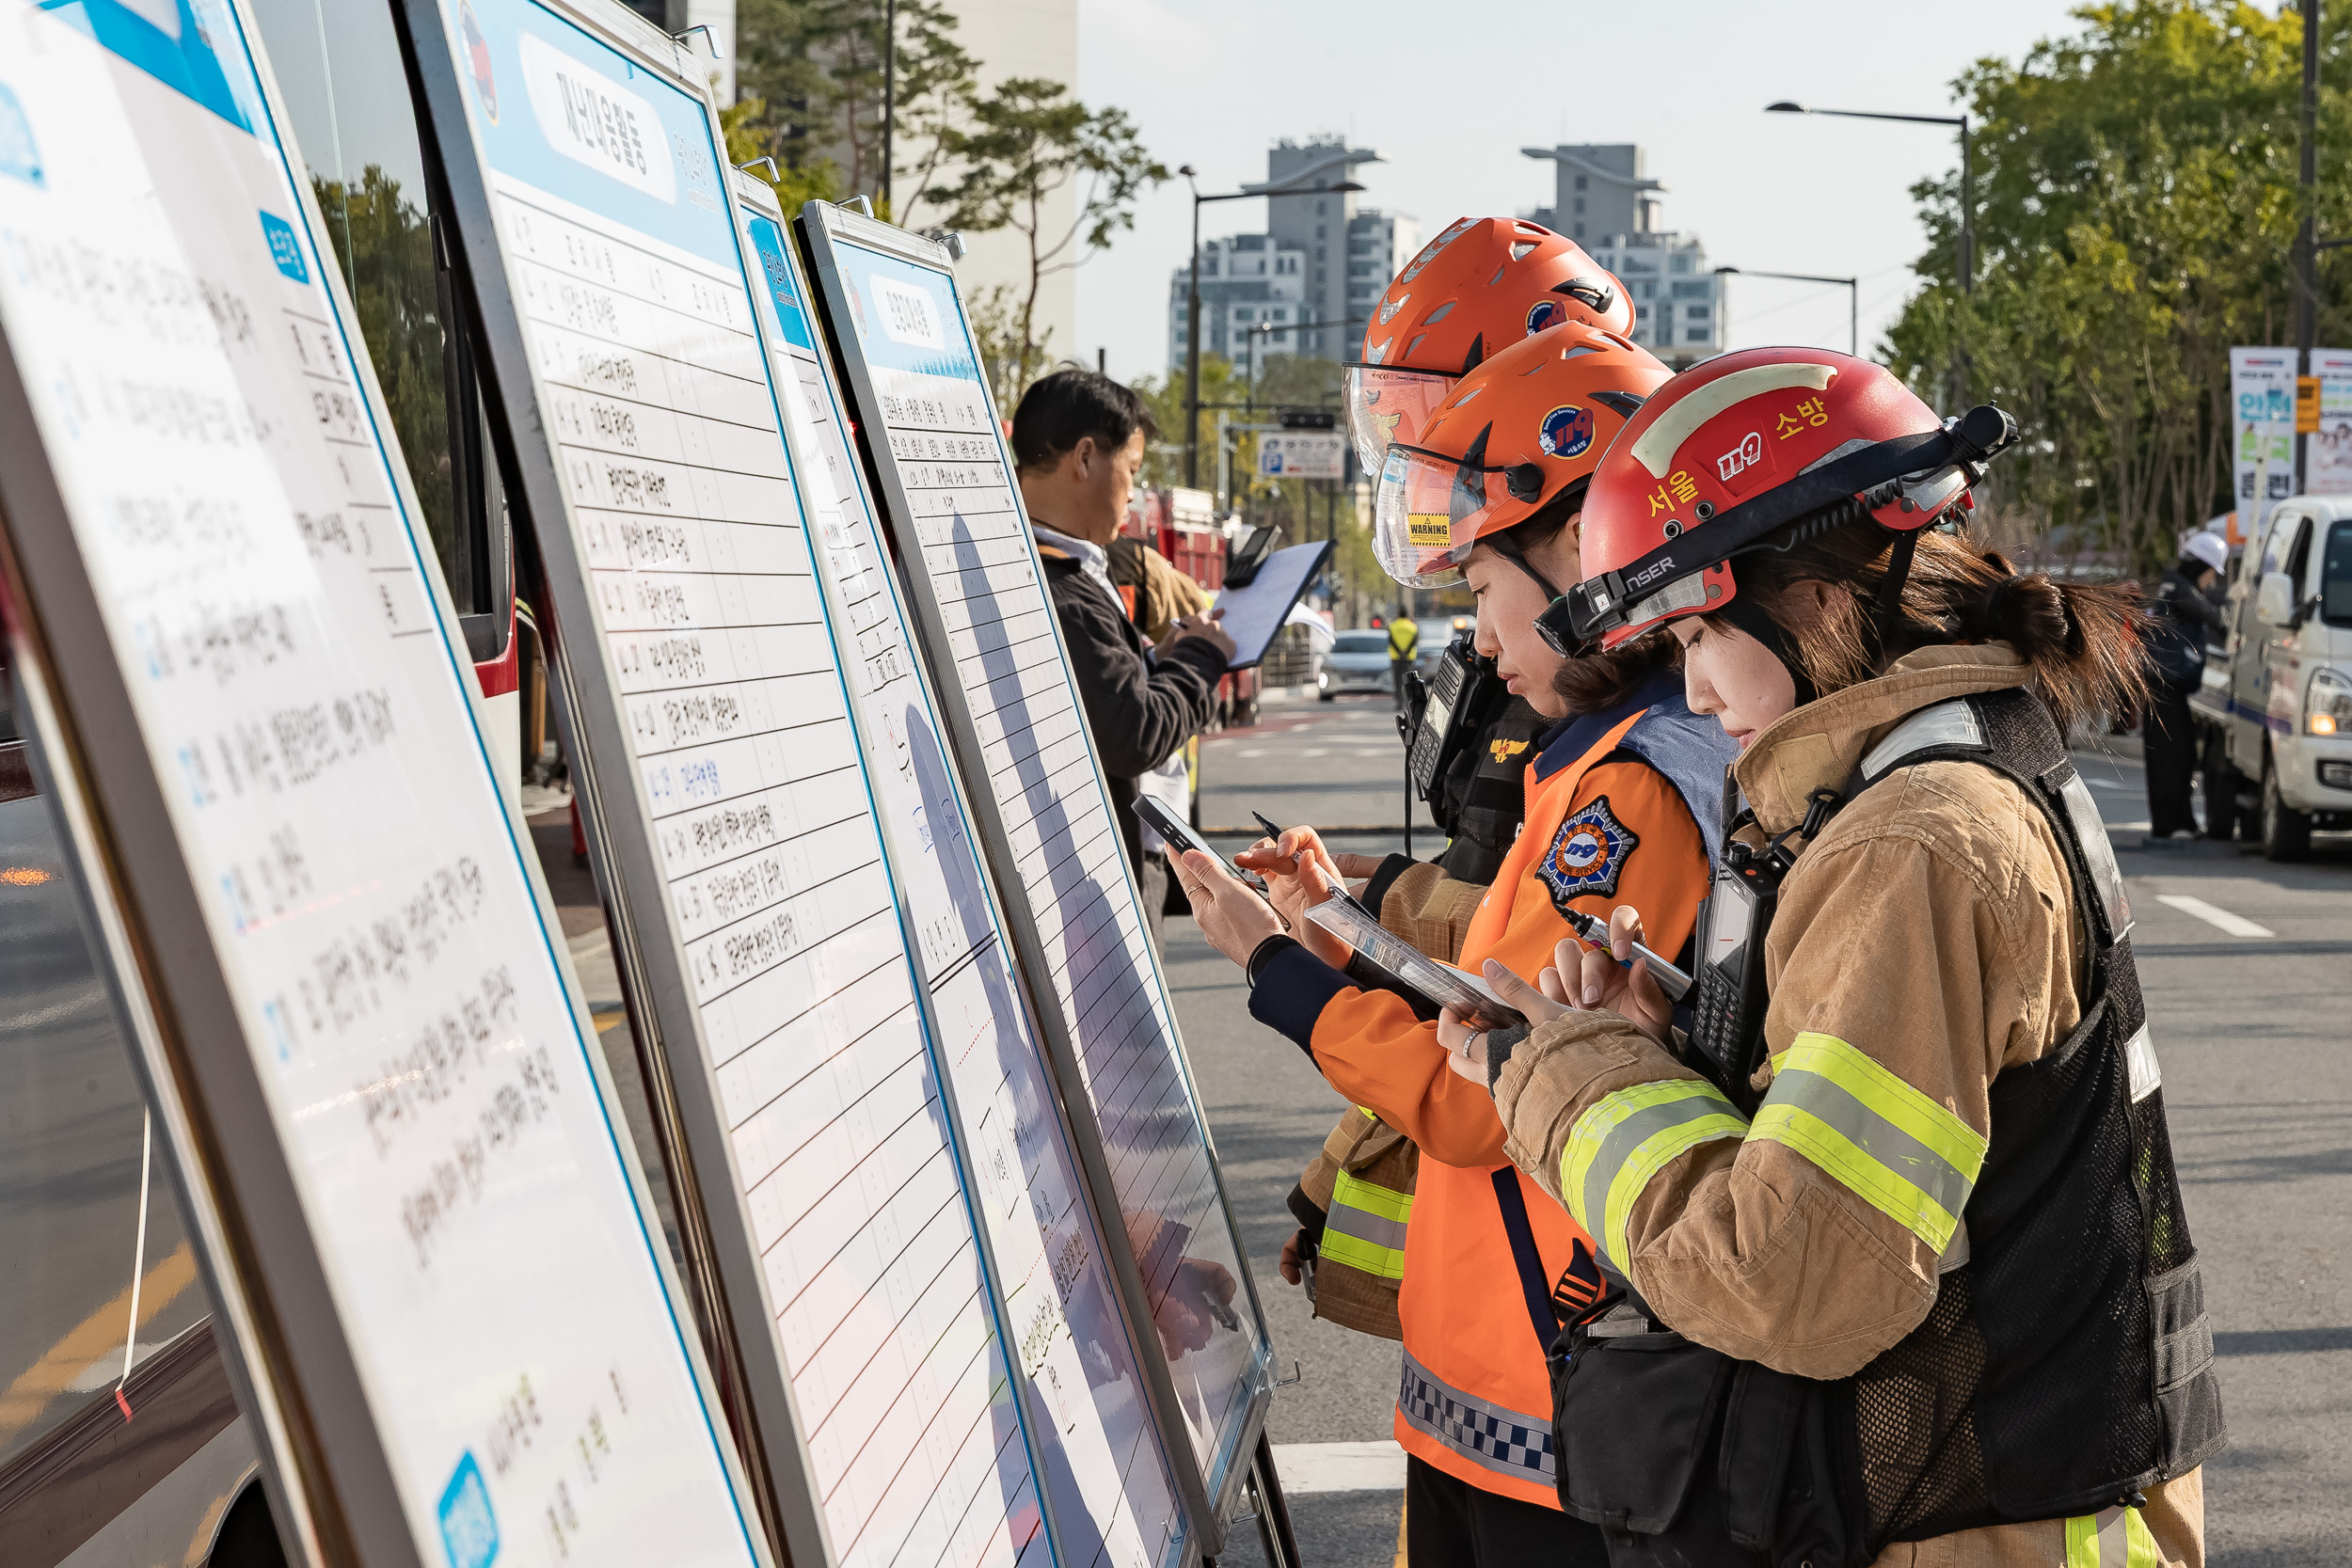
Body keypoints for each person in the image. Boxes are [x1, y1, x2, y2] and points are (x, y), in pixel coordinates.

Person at [1445, 348, 2220, 1567]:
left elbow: (1795, 1281)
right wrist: (1697, 1039)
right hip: (2035, 1493)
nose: (1696, 688)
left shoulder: (1909, 839)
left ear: (1814, 588)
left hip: (1974, 1522)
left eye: (1702, 628)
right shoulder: (1968, 768)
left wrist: (1566, 1069)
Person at [1172, 323, 1735, 1568]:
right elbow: (1478, 994)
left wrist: (1278, 968)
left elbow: (1480, 1099)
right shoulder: (1596, 766)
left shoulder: (1626, 793)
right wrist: (1336, 917)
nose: (1478, 637)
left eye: (1485, 593)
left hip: (1552, 1406)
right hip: (1510, 1392)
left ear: (1586, 564)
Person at [1278, 218, 1649, 1338]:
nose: (1411, 442)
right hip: (1502, 1265)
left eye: (1423, 408)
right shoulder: (1540, 665)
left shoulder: (1606, 720)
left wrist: (1290, 968)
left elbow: (1494, 1003)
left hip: (1550, 1290)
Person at [1011, 369, 1234, 943]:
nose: (1133, 492)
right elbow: (1133, 733)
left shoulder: (1025, 565)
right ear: (1085, 458)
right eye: (1131, 470)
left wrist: (1160, 661)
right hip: (1096, 869)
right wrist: (1200, 661)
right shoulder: (1066, 589)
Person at [2144, 531, 2228, 838]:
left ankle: (2181, 821)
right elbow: (2214, 616)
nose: (2212, 581)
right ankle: (2170, 823)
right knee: (2171, 757)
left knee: (2181, 754)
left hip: (2166, 685)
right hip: (2164, 684)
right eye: (2211, 573)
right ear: (2202, 566)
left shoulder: (2172, 585)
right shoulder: (2180, 590)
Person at [1388, 608, 1421, 706]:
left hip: (1396, 657)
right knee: (1408, 680)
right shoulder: (1412, 627)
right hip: (1408, 658)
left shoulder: (1393, 626)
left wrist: (1399, 652)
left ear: (1398, 614)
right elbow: (1414, 641)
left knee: (1397, 680)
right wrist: (1406, 652)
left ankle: (1399, 702)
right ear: (1407, 615)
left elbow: (1391, 641)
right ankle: (1409, 701)